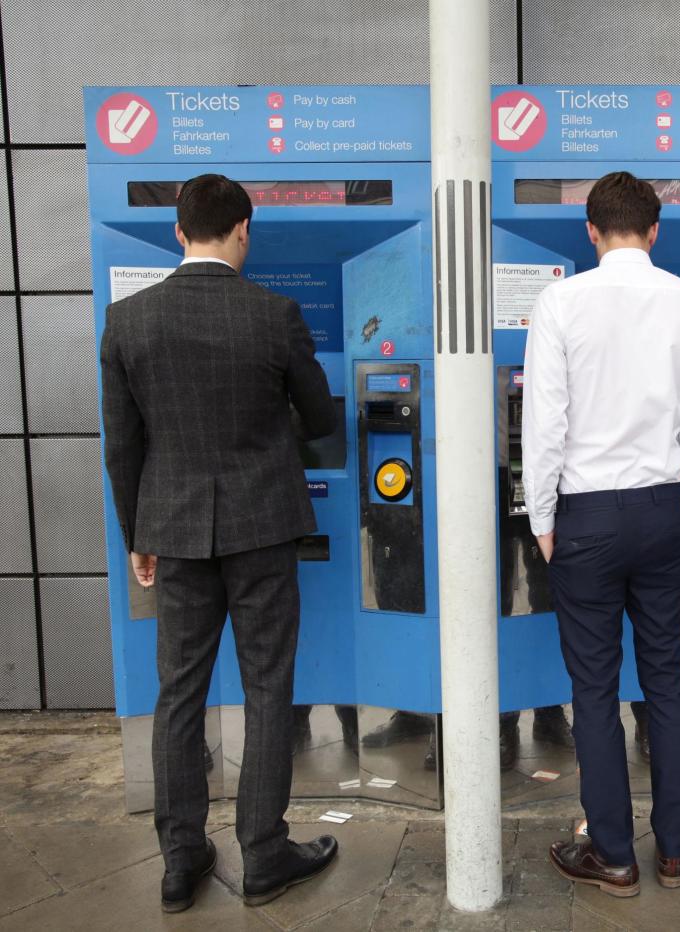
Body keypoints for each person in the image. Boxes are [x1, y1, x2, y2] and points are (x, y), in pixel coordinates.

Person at [101, 174, 340, 912]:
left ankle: (181, 861)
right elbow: (321, 417)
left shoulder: (128, 320)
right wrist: (272, 441)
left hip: (171, 529)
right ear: (244, 228)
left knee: (180, 690)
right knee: (269, 686)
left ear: (179, 231)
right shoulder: (274, 314)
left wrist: (136, 533)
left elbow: (122, 445)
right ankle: (264, 853)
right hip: (262, 524)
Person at [522, 171, 680, 896]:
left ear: (591, 231)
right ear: (656, 229)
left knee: (594, 690)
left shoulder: (560, 302)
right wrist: (667, 463)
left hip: (587, 519)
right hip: (665, 509)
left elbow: (543, 425)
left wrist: (543, 517)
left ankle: (612, 853)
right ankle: (674, 849)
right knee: (667, 679)